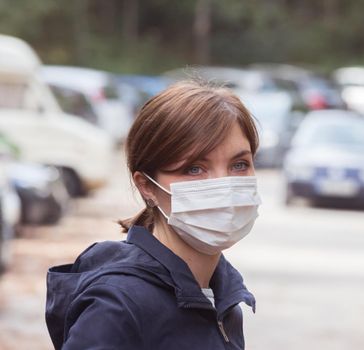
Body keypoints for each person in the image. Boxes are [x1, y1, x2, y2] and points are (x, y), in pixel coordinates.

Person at [45, 80, 261, 349]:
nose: (223, 185)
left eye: (239, 164)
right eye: (194, 168)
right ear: (147, 186)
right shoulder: (118, 306)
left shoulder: (221, 298)